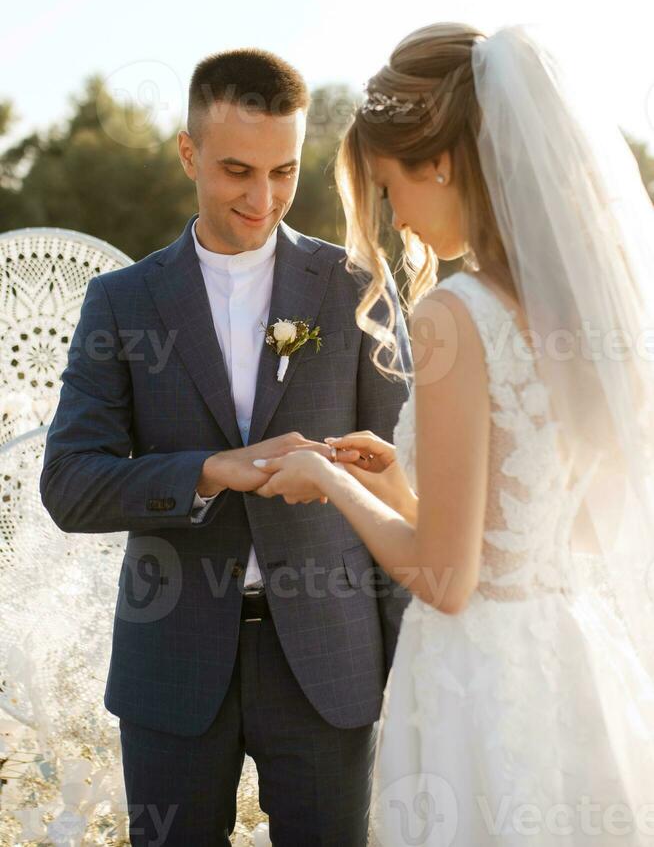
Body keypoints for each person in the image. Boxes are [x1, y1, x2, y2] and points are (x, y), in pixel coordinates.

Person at [252, 23, 654, 845]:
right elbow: (538, 525)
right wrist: (395, 481)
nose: (396, 217)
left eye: (391, 186)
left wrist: (329, 482)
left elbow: (446, 580)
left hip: (480, 682)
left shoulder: (453, 316)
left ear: (440, 163)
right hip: (569, 658)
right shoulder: (576, 314)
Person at [39, 47, 413, 846]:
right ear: (187, 153)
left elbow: (407, 478)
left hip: (329, 666)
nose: (264, 197)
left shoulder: (355, 287)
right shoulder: (121, 301)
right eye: (237, 170)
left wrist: (409, 661)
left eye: (283, 171)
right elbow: (69, 484)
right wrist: (210, 471)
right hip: (170, 665)